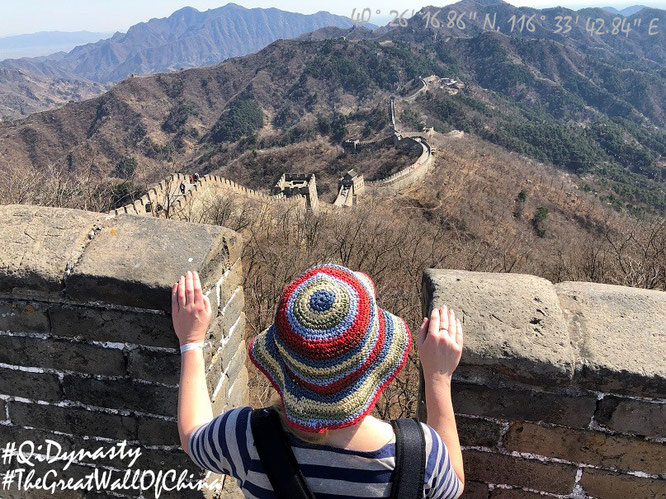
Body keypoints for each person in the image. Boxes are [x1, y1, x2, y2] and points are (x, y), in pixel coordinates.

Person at [173, 265, 465, 498]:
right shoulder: (420, 455)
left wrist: (191, 341)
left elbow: (191, 436)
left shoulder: (243, 438)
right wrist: (438, 377)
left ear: (282, 362)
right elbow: (456, 483)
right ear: (375, 364)